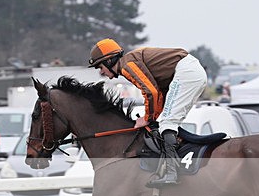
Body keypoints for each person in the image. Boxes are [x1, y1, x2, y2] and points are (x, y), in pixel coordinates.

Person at [87, 38, 207, 187]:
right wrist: (153, 117)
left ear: (110, 60)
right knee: (165, 121)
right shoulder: (128, 63)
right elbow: (158, 94)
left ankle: (171, 173)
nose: (101, 72)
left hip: (186, 72)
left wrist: (147, 118)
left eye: (100, 66)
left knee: (167, 123)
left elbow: (151, 92)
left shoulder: (127, 65)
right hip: (189, 71)